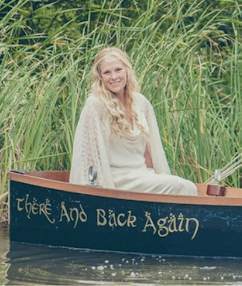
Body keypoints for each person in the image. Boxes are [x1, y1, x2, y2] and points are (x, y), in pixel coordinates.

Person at [69, 47, 197, 196]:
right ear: (100, 77)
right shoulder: (96, 105)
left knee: (187, 186)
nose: (114, 77)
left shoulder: (141, 103)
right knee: (183, 186)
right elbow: (89, 152)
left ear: (127, 71)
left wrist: (155, 177)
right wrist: (96, 189)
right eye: (107, 72)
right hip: (117, 179)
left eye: (118, 70)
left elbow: (149, 150)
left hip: (142, 176)